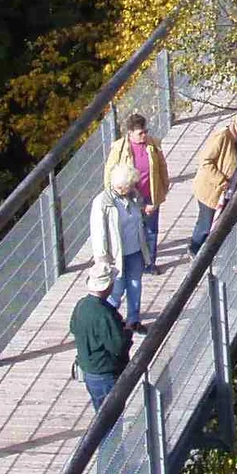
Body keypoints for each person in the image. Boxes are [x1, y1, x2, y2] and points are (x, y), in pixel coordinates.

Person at [95, 123, 151, 328]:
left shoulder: (133, 197)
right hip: (116, 254)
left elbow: (139, 219)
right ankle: (108, 320)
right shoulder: (103, 202)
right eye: (127, 186)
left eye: (131, 185)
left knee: (135, 285)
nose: (130, 189)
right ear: (118, 184)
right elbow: (99, 231)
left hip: (135, 250)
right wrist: (102, 257)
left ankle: (133, 319)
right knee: (116, 288)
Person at [188, 110, 237, 255]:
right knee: (206, 224)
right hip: (212, 191)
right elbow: (205, 162)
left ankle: (228, 258)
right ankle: (195, 251)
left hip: (232, 191)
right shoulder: (221, 137)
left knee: (229, 225)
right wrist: (220, 180)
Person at [69, 269, 129, 411]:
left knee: (100, 414)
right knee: (111, 420)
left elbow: (73, 328)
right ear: (108, 286)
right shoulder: (104, 313)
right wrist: (127, 333)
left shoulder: (81, 305)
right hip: (105, 372)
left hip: (89, 370)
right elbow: (118, 346)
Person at [120, 112, 167, 264]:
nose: (144, 135)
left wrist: (161, 193)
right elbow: (110, 173)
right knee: (132, 229)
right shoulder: (120, 148)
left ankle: (150, 263)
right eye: (140, 133)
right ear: (130, 133)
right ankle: (133, 261)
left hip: (150, 194)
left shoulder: (153, 144)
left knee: (151, 230)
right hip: (129, 196)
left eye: (146, 132)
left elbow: (162, 168)